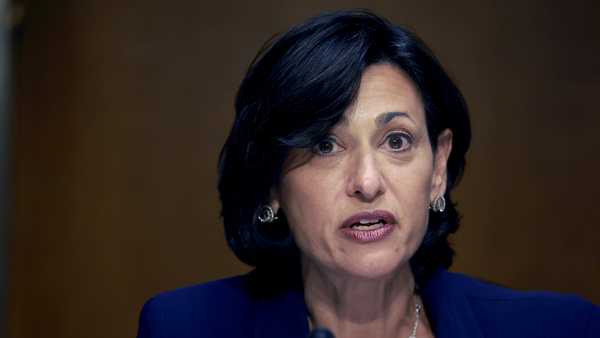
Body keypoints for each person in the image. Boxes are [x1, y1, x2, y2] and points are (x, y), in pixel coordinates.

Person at [136, 10, 600, 338]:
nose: (367, 181)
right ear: (272, 183)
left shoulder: (561, 328)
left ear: (437, 168)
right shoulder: (185, 327)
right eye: (325, 145)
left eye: (396, 141)